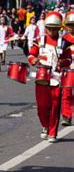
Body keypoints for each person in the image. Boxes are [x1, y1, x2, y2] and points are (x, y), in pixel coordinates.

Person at [27, 12, 72, 143]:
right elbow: (31, 55)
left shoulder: (64, 43)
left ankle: (52, 132)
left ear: (59, 28)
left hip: (57, 78)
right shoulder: (39, 40)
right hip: (42, 77)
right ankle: (45, 126)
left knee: (55, 105)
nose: (51, 31)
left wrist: (62, 62)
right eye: (49, 28)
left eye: (54, 28)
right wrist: (33, 59)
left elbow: (68, 59)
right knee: (42, 106)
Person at [61, 11, 74, 126]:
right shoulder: (64, 39)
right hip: (69, 70)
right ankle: (67, 116)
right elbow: (60, 55)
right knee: (67, 92)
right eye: (69, 25)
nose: (71, 28)